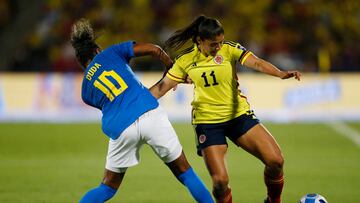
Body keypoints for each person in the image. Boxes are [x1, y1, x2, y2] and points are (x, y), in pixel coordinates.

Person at [150, 15, 301, 203]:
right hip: (208, 123)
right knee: (220, 182)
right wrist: (135, 104)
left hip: (238, 116)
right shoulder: (185, 60)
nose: (218, 47)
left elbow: (257, 62)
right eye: (214, 44)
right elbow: (161, 87)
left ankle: (273, 201)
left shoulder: (230, 49)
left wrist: (279, 73)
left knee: (276, 161)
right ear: (200, 40)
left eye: (220, 42)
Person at [70, 18, 214, 203]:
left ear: (83, 64)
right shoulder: (111, 52)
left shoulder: (85, 91)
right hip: (149, 113)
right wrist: (170, 66)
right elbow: (154, 49)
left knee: (106, 188)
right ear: (97, 50)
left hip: (121, 128)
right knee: (186, 174)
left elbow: (113, 102)